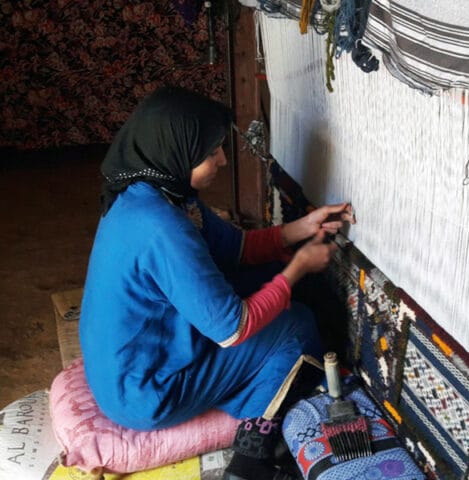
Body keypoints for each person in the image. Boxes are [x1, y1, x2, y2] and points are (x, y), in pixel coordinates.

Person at [78, 86, 354, 449]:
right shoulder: (161, 227)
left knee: (262, 274)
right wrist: (299, 267)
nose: (223, 160)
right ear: (179, 150)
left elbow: (236, 248)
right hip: (144, 393)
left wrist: (303, 228)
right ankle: (257, 432)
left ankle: (235, 380)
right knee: (296, 326)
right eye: (211, 153)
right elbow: (234, 328)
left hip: (130, 363)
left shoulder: (158, 193)